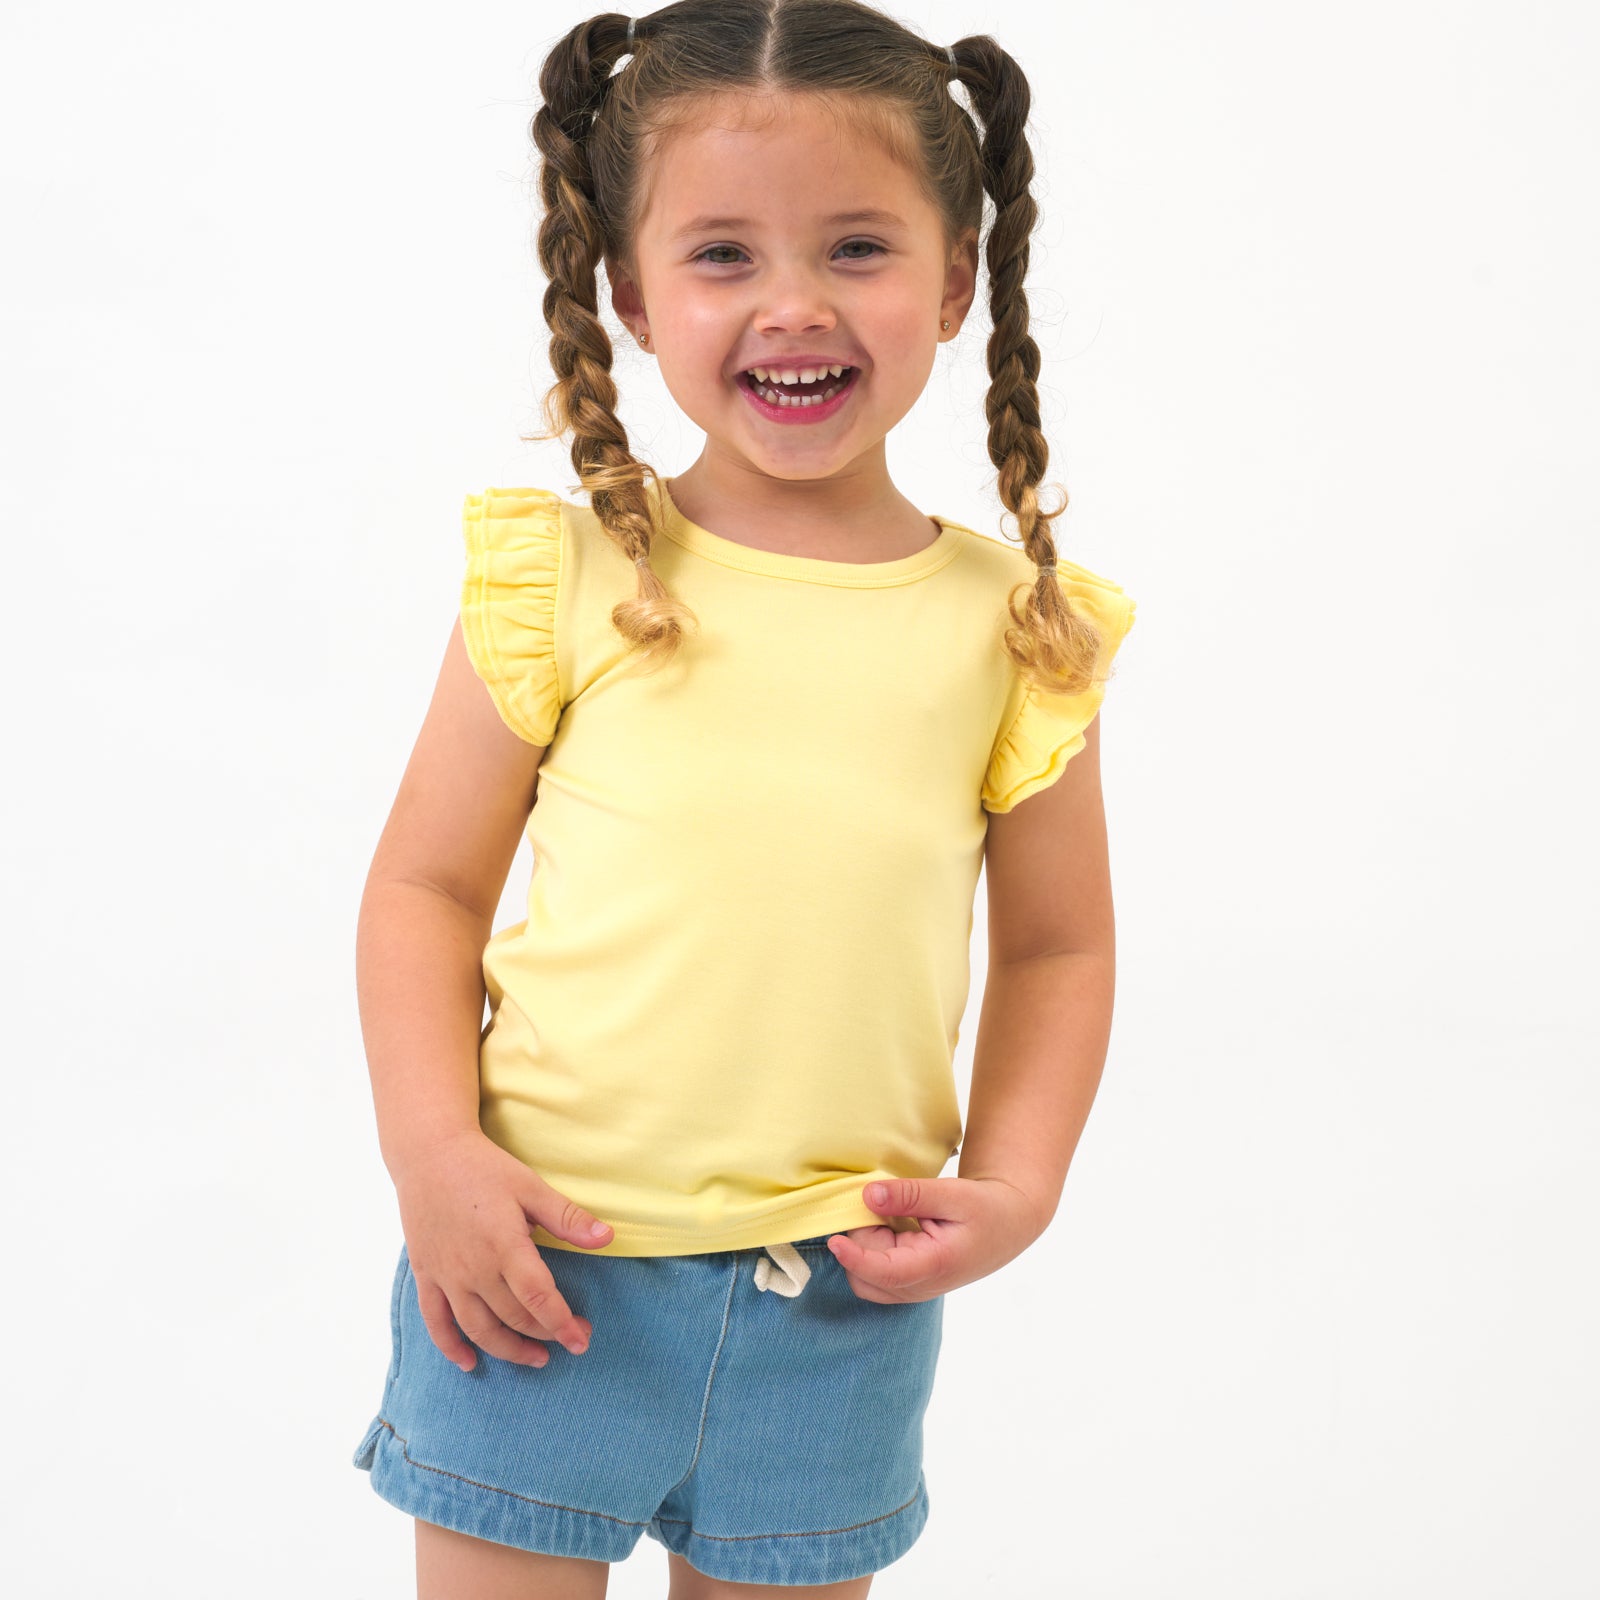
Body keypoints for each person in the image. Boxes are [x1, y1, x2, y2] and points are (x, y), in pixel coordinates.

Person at [350, 2, 1139, 1595]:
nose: (795, 306)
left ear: (958, 279)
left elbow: (1061, 949)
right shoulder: (568, 574)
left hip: (838, 1294)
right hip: (531, 1268)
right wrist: (434, 1156)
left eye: (858, 246)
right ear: (632, 298)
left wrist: (1017, 1185)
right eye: (724, 257)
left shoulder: (1015, 628)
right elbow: (423, 892)